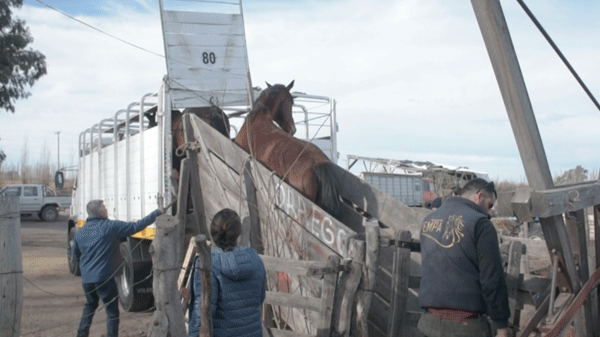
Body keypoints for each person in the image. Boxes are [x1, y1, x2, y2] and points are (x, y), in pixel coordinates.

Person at [418, 178, 509, 337]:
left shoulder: (428, 220)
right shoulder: (481, 224)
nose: (489, 212)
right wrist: (501, 324)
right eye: (489, 205)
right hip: (466, 326)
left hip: (428, 322)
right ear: (479, 196)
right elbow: (492, 278)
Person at [72, 200, 167, 337]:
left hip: (87, 280)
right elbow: (136, 226)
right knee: (112, 312)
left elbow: (75, 256)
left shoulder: (80, 233)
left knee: (90, 306)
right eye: (105, 208)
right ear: (101, 212)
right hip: (104, 278)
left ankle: (81, 334)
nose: (106, 210)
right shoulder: (110, 226)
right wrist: (157, 213)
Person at [188, 208, 266, 337]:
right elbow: (260, 298)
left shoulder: (208, 264)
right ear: (238, 233)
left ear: (213, 232)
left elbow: (202, 315)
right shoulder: (255, 259)